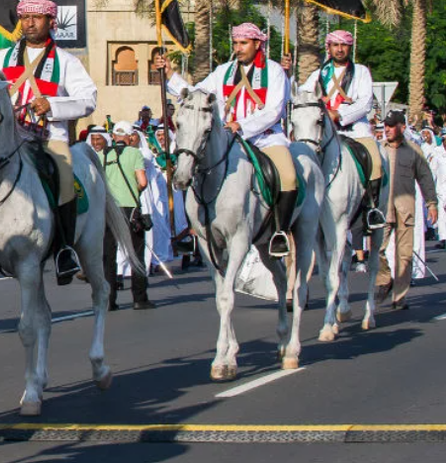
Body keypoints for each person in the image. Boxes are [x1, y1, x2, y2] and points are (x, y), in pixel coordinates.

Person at [0, 0, 97, 284]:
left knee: (63, 176)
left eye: (37, 18)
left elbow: (89, 99)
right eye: (25, 18)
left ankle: (63, 248)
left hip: (49, 139)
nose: (30, 23)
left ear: (51, 22)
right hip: (8, 140)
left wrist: (53, 105)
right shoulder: (3, 58)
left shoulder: (67, 62)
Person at [159, 23, 296, 258]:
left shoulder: (274, 71)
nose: (238, 48)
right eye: (236, 43)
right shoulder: (223, 71)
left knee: (288, 176)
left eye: (243, 43)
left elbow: (274, 110)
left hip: (265, 139)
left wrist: (241, 125)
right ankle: (196, 230)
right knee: (192, 167)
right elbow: (196, 94)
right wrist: (171, 76)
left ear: (257, 44)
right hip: (228, 139)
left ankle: (279, 233)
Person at [285, 29, 385, 231]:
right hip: (324, 134)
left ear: (350, 47)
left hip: (354, 131)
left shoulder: (361, 72)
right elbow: (300, 97)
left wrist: (339, 114)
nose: (339, 50)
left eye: (344, 45)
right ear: (328, 48)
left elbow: (365, 103)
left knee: (375, 162)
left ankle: (371, 209)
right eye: (335, 45)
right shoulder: (318, 74)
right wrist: (287, 75)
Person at [375, 111, 439, 309]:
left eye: (391, 125)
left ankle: (399, 297)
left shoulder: (412, 150)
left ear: (402, 127)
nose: (387, 129)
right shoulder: (379, 150)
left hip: (405, 209)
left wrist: (431, 204)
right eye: (385, 125)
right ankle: (385, 279)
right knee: (377, 249)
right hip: (383, 209)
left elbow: (426, 178)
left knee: (404, 254)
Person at [99, 122, 152, 310]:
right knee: (136, 254)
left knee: (108, 255)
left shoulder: (102, 155)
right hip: (130, 208)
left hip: (108, 209)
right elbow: (143, 182)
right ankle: (139, 298)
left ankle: (109, 299)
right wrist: (134, 191)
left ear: (113, 136)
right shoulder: (134, 153)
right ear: (130, 137)